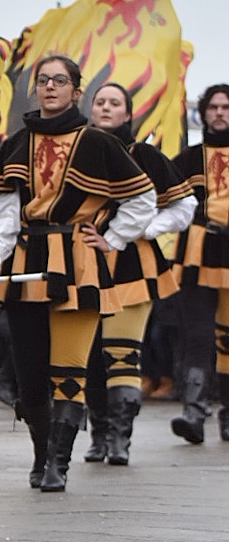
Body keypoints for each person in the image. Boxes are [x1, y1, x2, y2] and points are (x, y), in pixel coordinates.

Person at [0, 56, 156, 492]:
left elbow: (143, 197)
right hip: (28, 259)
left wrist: (113, 238)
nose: (50, 86)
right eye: (44, 80)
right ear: (36, 89)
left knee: (69, 368)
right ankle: (39, 455)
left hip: (78, 261)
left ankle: (59, 464)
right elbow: (5, 212)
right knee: (31, 373)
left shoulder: (99, 142)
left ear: (76, 90)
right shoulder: (17, 142)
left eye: (60, 80)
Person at [82, 83, 194, 465]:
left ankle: (119, 440)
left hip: (132, 265)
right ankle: (97, 434)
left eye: (115, 103)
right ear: (91, 109)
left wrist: (143, 228)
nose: (107, 108)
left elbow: (184, 206)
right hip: (83, 263)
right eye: (100, 102)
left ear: (127, 113)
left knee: (122, 354)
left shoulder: (144, 154)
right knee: (89, 356)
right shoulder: (77, 151)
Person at [170, 83, 229, 444]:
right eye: (214, 107)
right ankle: (193, 412)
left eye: (226, 107)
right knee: (197, 334)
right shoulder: (187, 159)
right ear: (203, 112)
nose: (220, 113)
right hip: (197, 251)